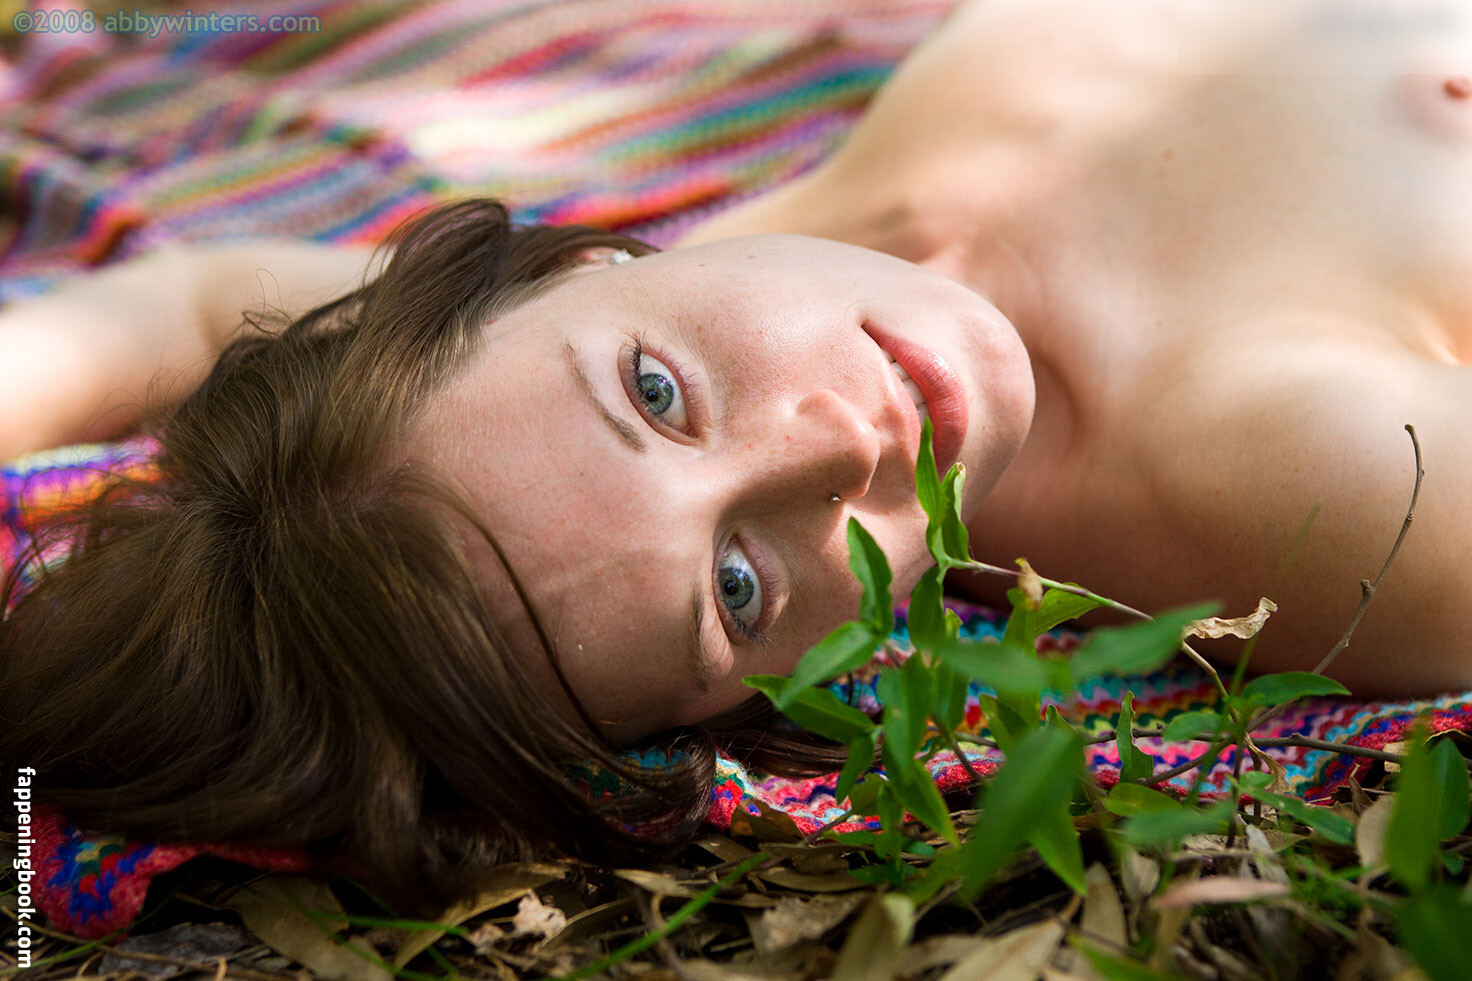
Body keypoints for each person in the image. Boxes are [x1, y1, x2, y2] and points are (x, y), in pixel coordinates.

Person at [3, 0, 1470, 916]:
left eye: (655, 394)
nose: (834, 446)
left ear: (557, 272)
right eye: (738, 586)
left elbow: (193, 303)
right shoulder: (1312, 474)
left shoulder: (772, 256)